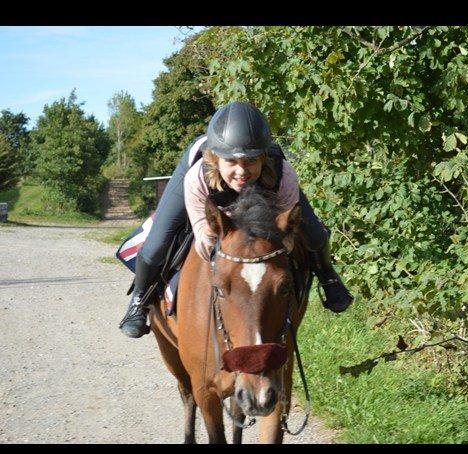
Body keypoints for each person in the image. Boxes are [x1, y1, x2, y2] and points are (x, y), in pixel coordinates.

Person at [119, 101, 353, 338]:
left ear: (263, 158)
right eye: (231, 162)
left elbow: (285, 224)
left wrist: (283, 241)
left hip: (267, 196)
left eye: (250, 161)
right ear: (216, 159)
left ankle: (329, 277)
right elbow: (202, 229)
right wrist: (209, 238)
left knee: (314, 234)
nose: (241, 171)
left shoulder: (283, 174)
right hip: (205, 187)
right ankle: (139, 300)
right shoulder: (197, 175)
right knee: (157, 245)